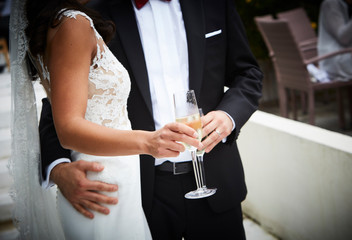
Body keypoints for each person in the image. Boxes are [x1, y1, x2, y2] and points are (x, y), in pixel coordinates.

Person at [39, 0, 263, 239]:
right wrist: (58, 169)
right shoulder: (92, 14)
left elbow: (248, 73)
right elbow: (57, 105)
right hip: (141, 193)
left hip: (216, 181)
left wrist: (229, 116)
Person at [10, 0, 202, 239]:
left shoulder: (62, 22)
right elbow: (67, 127)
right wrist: (148, 142)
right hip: (101, 187)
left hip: (118, 184)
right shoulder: (72, 23)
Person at [317, 0, 352, 81]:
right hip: (340, 59)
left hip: (349, 55)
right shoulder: (331, 3)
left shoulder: (351, 6)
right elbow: (344, 38)